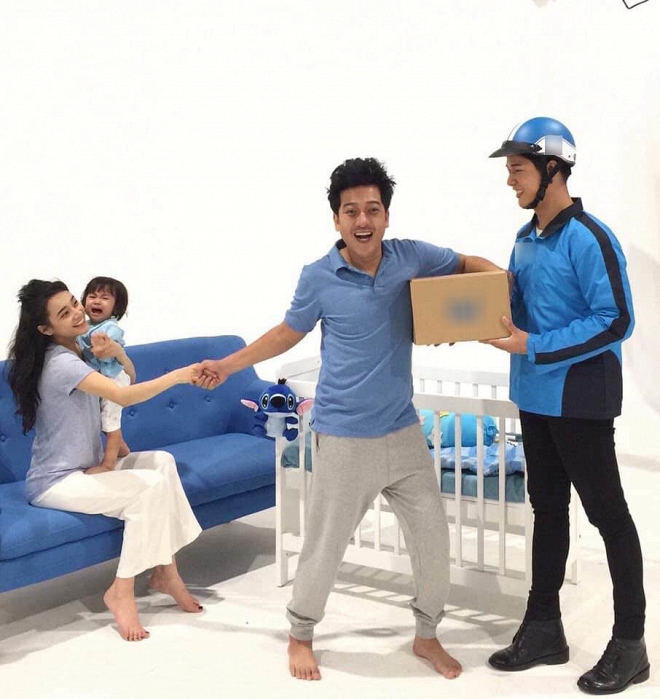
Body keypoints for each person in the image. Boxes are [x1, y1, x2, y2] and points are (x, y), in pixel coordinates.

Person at [199, 157, 505, 681]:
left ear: (386, 215)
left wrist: (501, 288)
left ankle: (426, 634)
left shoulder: (411, 257)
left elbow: (464, 263)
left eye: (373, 209)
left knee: (433, 541)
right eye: (351, 211)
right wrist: (228, 366)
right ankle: (300, 634)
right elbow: (286, 333)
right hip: (342, 437)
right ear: (337, 219)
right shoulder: (319, 276)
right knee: (324, 547)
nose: (363, 220)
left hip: (404, 433)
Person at [484, 117, 649, 695]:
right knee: (548, 510)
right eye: (509, 170)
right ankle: (543, 628)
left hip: (580, 398)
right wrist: (475, 315)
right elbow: (520, 312)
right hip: (534, 396)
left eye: (518, 169)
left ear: (552, 167)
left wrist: (534, 345)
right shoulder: (524, 239)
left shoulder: (589, 237)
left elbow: (617, 319)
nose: (510, 179)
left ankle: (631, 645)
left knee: (608, 516)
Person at [8, 279, 204, 642]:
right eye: (64, 313)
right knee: (150, 488)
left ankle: (167, 572)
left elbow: (127, 376)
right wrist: (178, 376)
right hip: (56, 481)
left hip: (89, 466)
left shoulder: (82, 347)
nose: (77, 312)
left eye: (74, 303)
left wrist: (118, 353)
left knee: (162, 463)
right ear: (45, 329)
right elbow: (123, 396)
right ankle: (121, 591)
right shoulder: (61, 363)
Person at [78, 276, 133, 471]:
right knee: (104, 419)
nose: (97, 301)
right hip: (101, 380)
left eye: (104, 298)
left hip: (115, 379)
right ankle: (122, 448)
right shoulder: (85, 326)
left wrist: (103, 346)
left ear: (116, 308)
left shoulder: (111, 328)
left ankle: (108, 464)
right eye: (92, 296)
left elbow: (106, 347)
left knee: (110, 421)